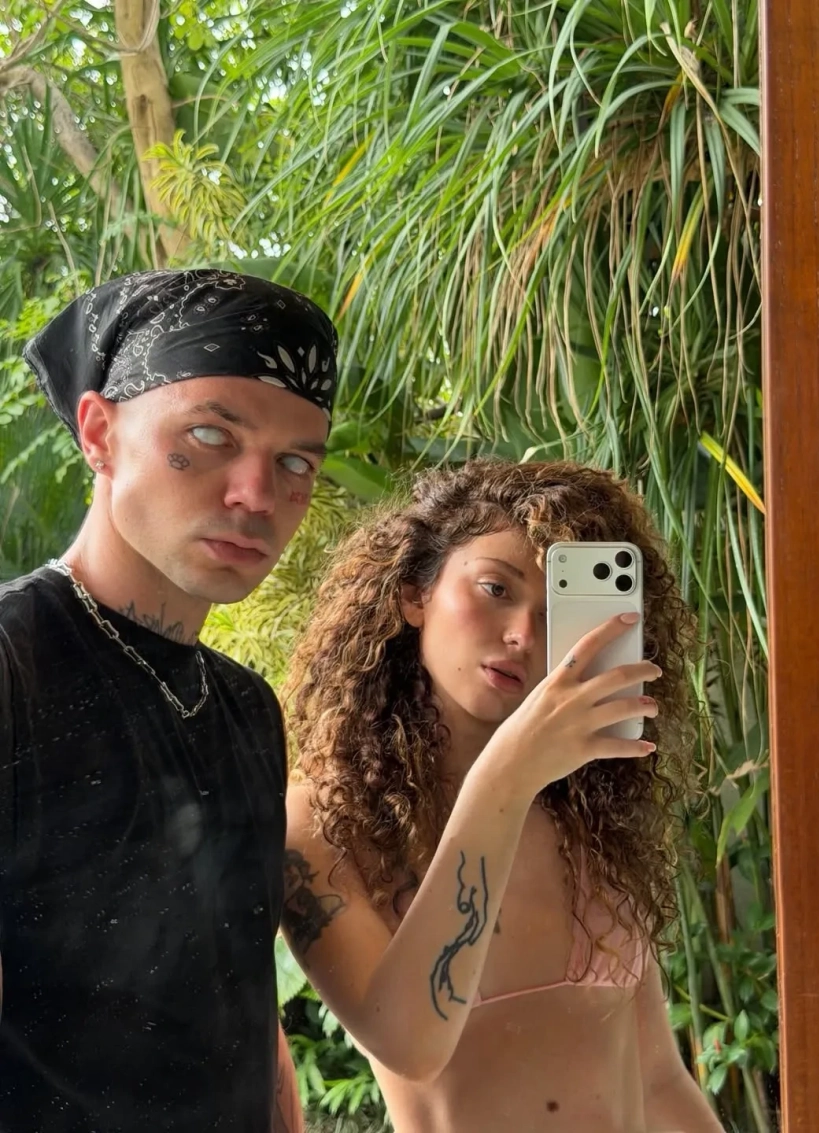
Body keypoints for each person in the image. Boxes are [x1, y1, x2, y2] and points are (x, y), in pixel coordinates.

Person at [281, 459, 725, 1133]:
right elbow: (408, 1043)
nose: (523, 634)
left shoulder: (586, 814)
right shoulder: (327, 822)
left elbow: (658, 1078)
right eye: (496, 588)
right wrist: (506, 778)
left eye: (554, 612)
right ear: (414, 592)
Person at [0, 268, 339, 1133]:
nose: (257, 495)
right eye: (210, 435)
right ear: (99, 432)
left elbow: (243, 1002)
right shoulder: (12, 665)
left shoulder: (246, 708)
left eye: (295, 462)